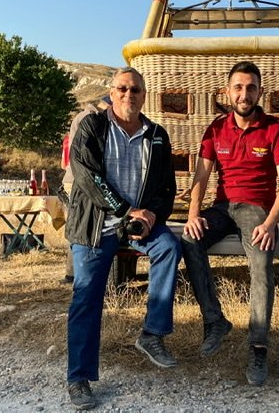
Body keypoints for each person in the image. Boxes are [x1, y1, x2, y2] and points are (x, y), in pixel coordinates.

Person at [65, 67, 181, 410]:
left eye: (135, 90)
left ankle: (152, 333)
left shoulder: (157, 134)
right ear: (111, 93)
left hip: (138, 225)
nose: (128, 95)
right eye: (122, 89)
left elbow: (167, 187)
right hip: (97, 224)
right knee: (87, 296)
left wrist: (151, 214)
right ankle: (79, 378)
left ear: (144, 96)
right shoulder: (92, 126)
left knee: (169, 247)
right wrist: (125, 209)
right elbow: (86, 175)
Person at [181, 61, 279, 387]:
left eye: (251, 88)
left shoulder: (274, 128)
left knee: (260, 266)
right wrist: (192, 216)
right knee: (189, 240)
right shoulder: (216, 129)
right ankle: (215, 321)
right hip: (221, 208)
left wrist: (272, 222)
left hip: (256, 211)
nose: (244, 94)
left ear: (260, 91)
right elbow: (201, 176)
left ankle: (258, 347)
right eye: (238, 87)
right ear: (228, 91)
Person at [59, 95, 112, 284]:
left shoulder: (85, 116)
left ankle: (76, 272)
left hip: (77, 178)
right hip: (78, 180)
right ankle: (74, 273)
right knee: (80, 224)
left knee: (80, 223)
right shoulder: (88, 119)